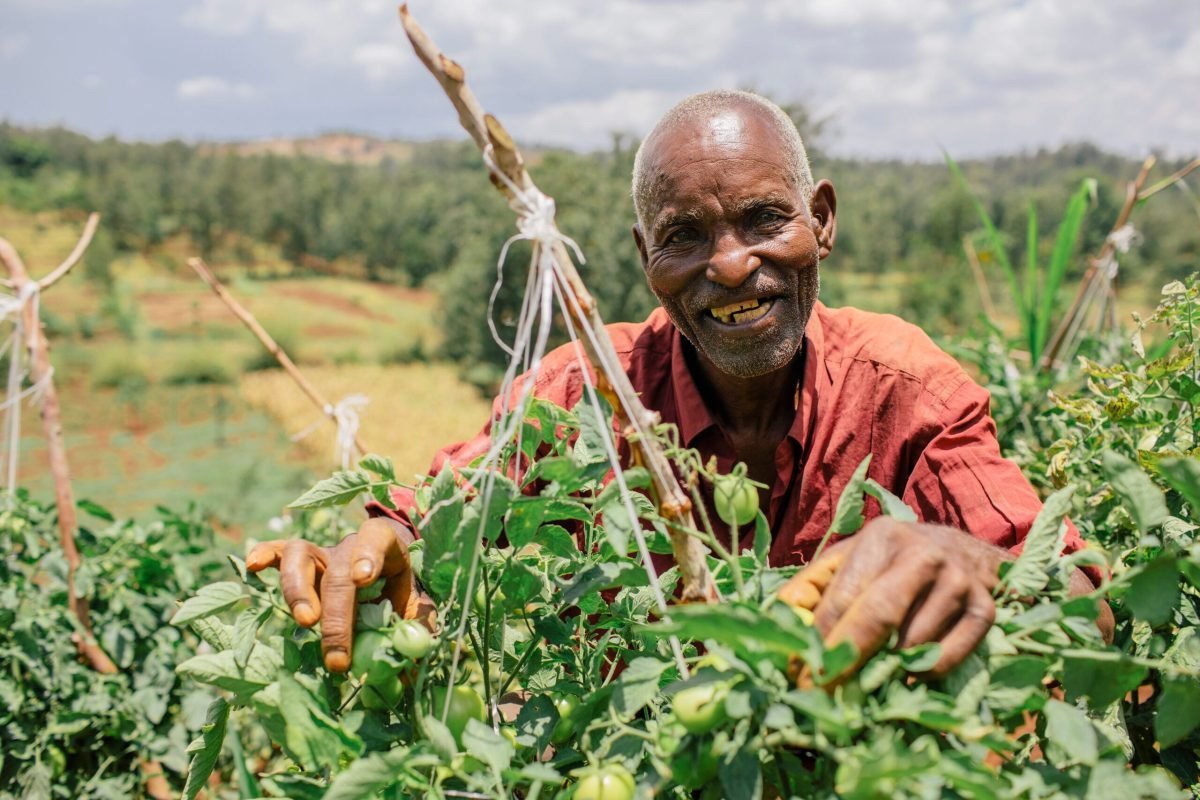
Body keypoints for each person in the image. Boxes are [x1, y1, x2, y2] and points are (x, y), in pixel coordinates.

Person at [246, 90, 1111, 681]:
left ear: (823, 219)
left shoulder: (905, 391)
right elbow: (436, 518)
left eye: (767, 220)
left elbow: (1084, 599)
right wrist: (368, 549)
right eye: (685, 235)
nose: (731, 266)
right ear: (644, 259)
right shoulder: (584, 393)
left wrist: (971, 564)